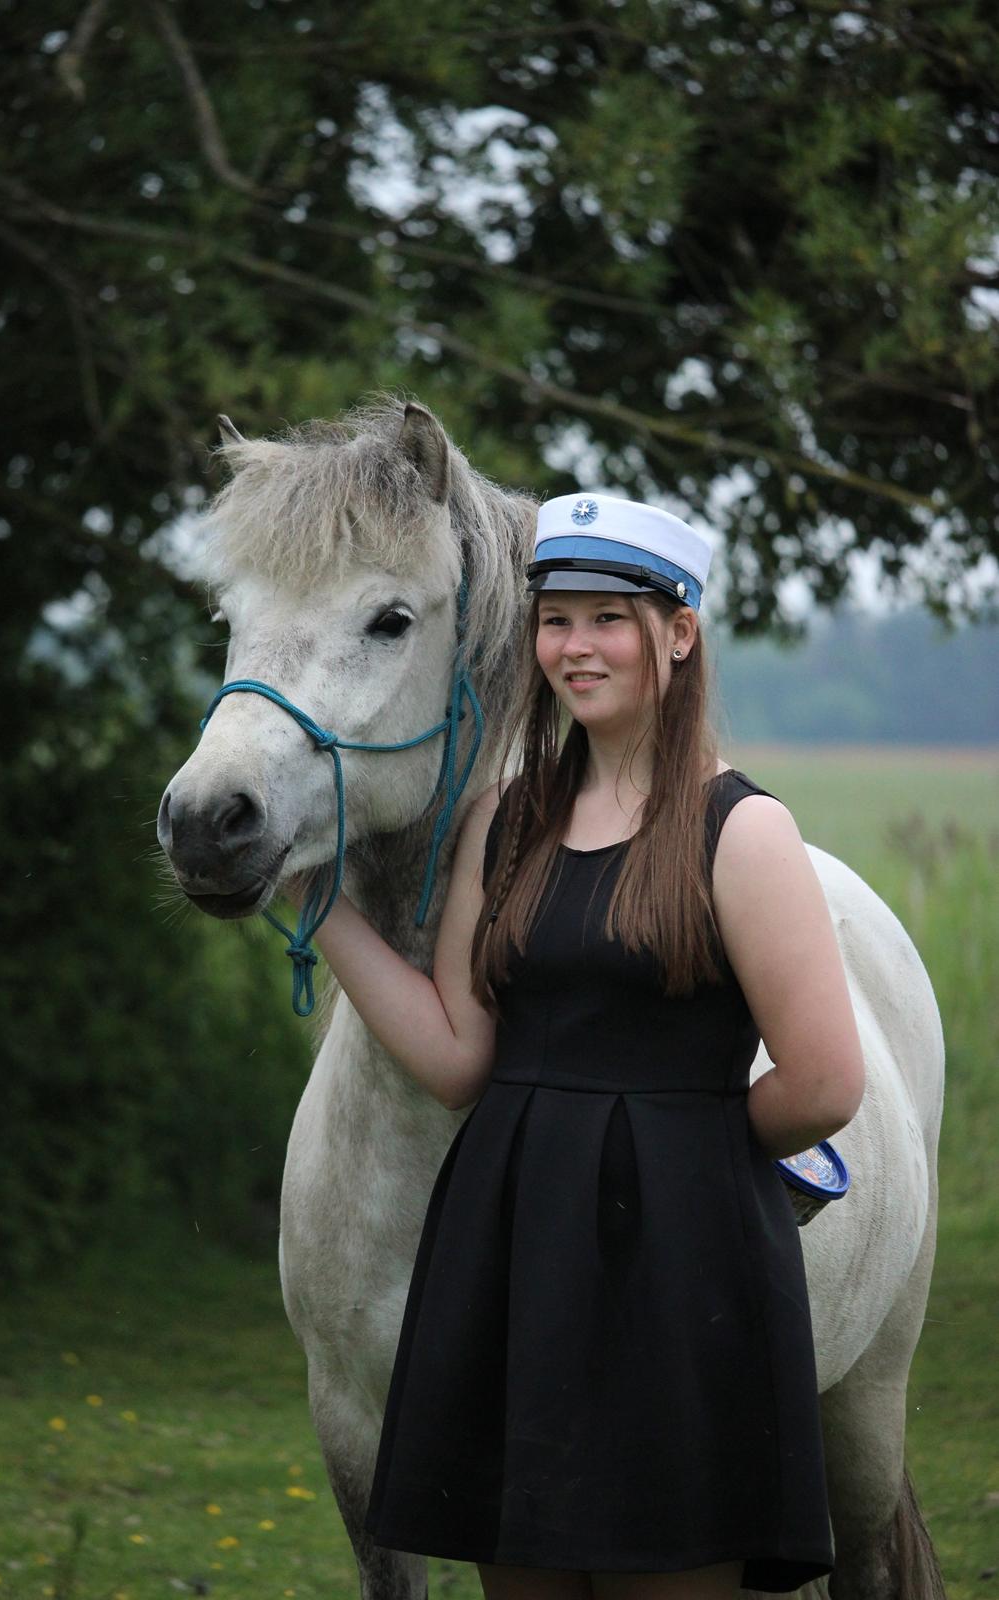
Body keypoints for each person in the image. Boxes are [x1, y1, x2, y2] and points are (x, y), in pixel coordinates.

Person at [295, 493, 865, 1599]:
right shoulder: (502, 822)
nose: (574, 646)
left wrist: (683, 1145)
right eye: (555, 620)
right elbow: (460, 1052)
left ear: (679, 632)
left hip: (686, 1260)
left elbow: (826, 1080)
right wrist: (324, 911)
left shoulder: (740, 831)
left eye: (609, 616)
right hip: (511, 1249)